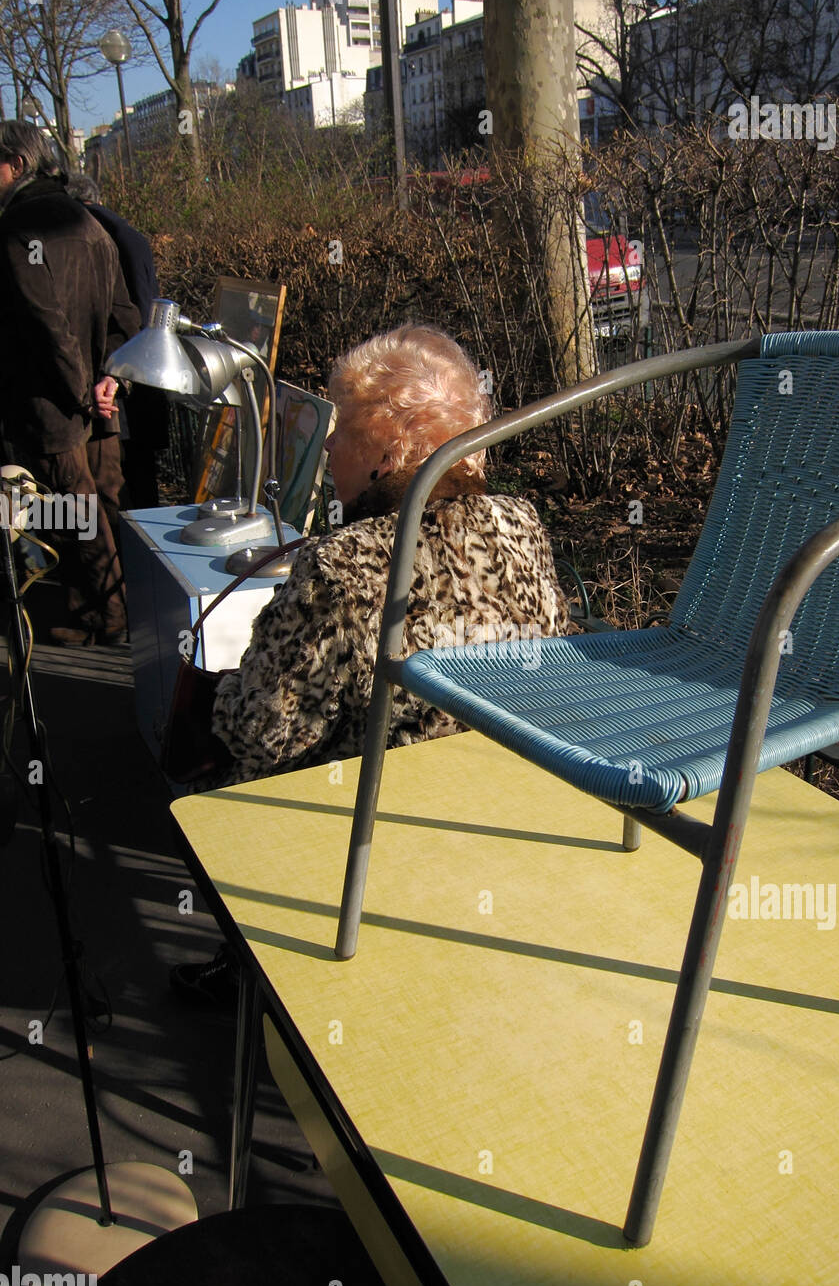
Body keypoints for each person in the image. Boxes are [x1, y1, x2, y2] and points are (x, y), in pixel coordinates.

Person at [171, 324, 571, 1003]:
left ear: (386, 450)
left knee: (214, 774)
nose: (325, 445)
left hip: (377, 819)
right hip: (509, 791)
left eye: (341, 428)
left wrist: (215, 695)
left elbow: (265, 733)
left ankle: (255, 973)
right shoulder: (520, 522)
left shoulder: (345, 561)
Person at [0, 123, 141, 645]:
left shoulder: (17, 228)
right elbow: (125, 316)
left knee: (77, 512)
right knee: (99, 504)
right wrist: (112, 382)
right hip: (96, 400)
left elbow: (44, 323)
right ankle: (101, 611)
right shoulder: (88, 223)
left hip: (57, 403)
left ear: (16, 165)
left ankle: (107, 619)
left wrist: (85, 391)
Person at [67, 173, 167, 510]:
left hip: (121, 386)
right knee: (137, 484)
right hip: (132, 382)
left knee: (127, 488)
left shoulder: (94, 236)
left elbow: (135, 315)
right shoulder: (123, 234)